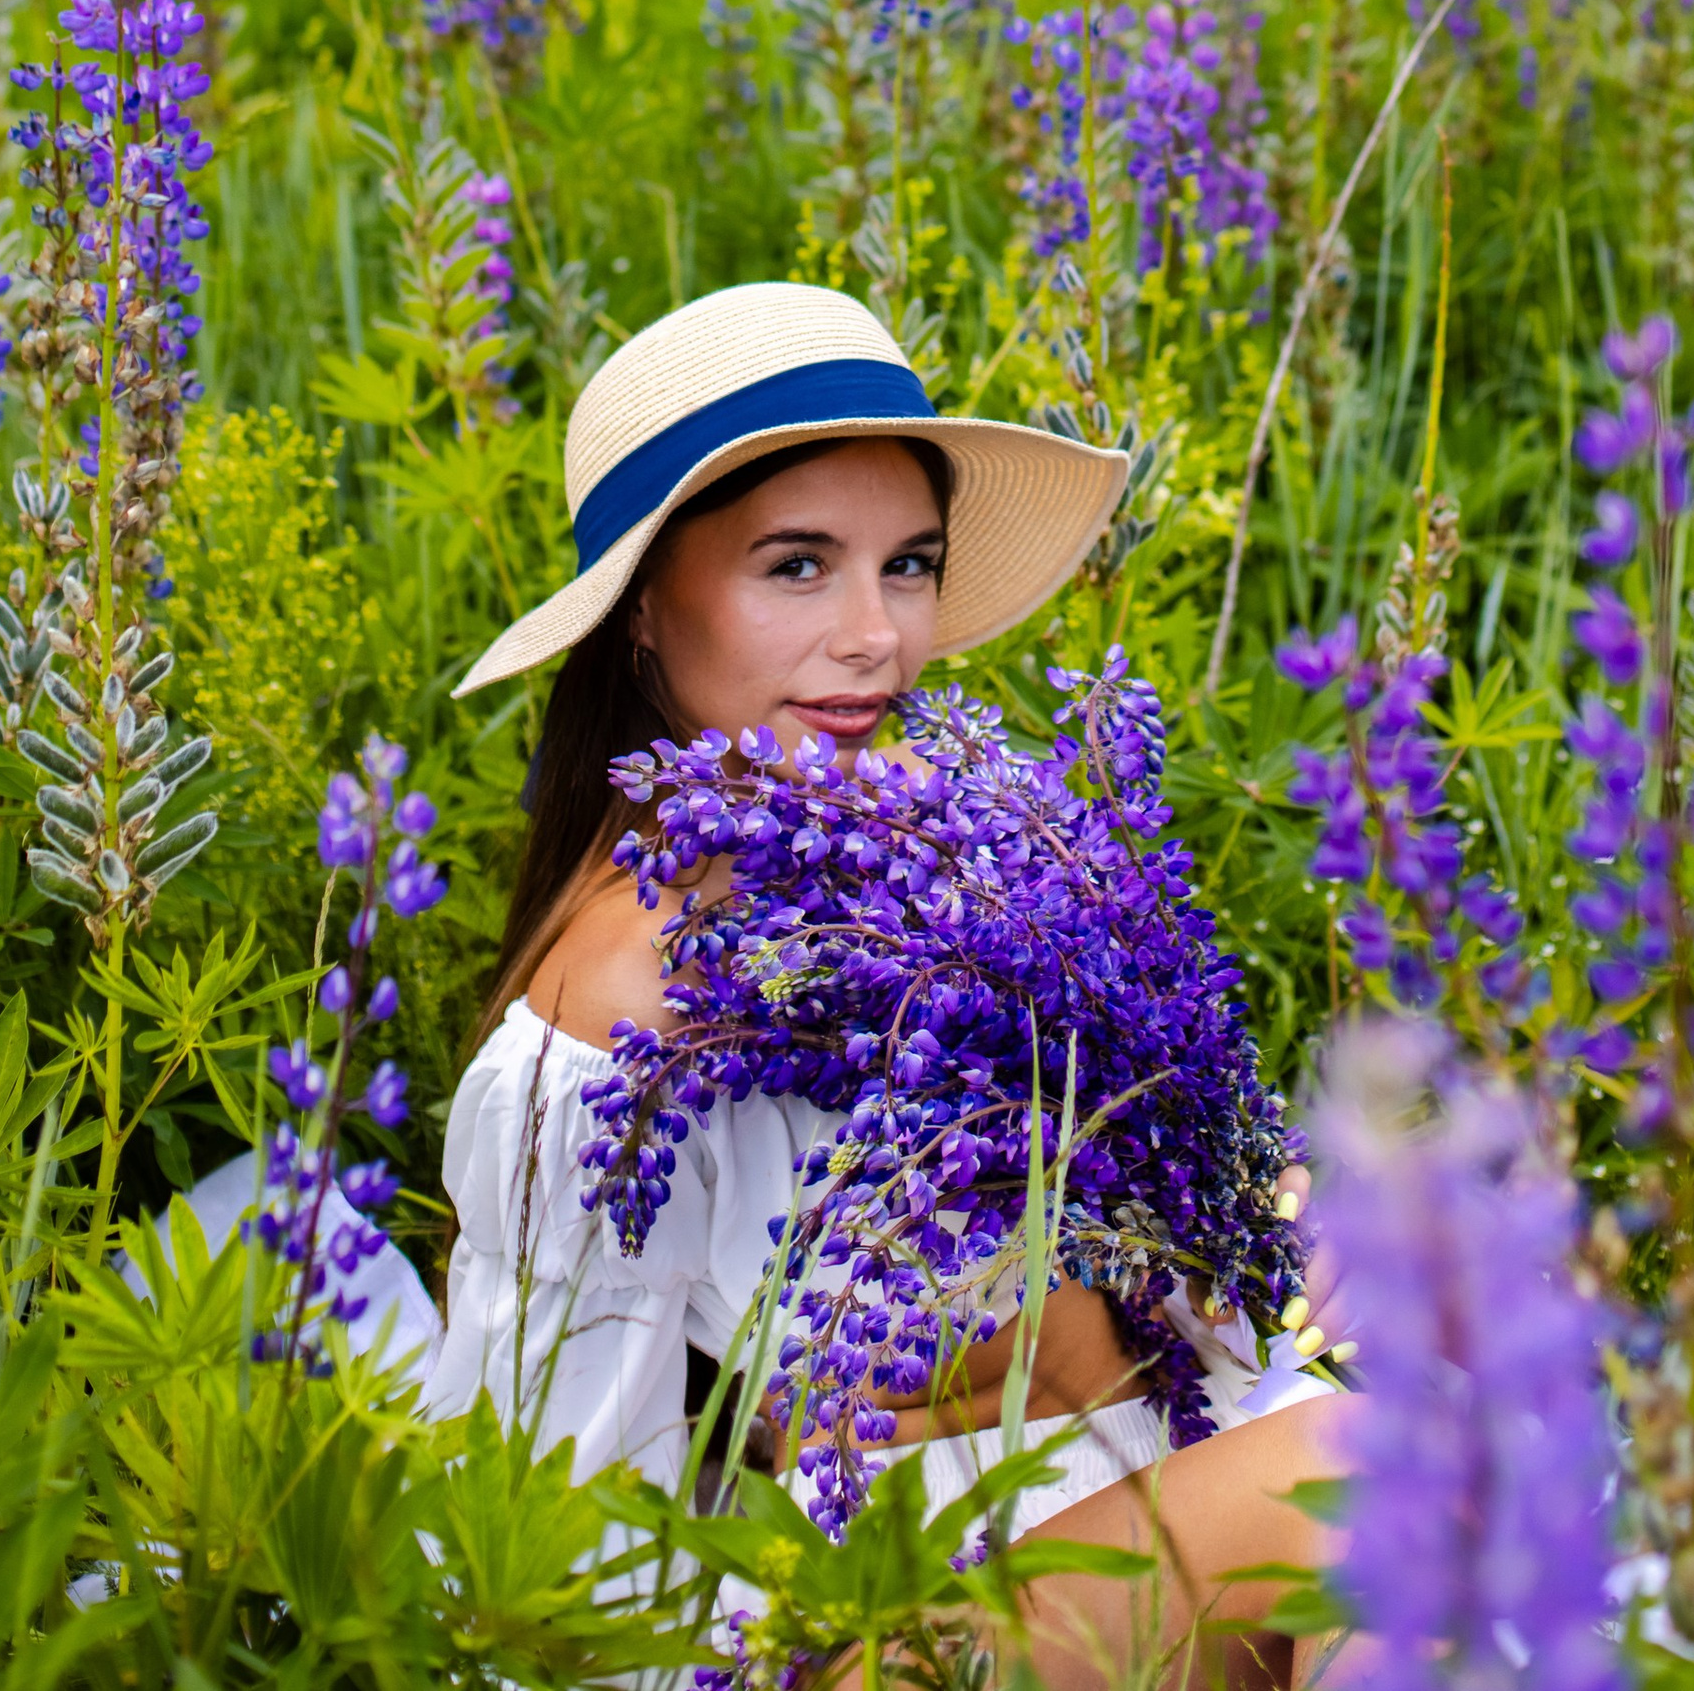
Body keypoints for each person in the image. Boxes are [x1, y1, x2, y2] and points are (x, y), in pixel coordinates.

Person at [422, 279, 1343, 1690]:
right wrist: (1056, 1345)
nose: (876, 636)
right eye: (798, 564)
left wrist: (1282, 1229)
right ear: (646, 614)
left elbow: (1166, 1220)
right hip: (842, 1642)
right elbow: (553, 1577)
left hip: (1139, 1521)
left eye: (907, 563)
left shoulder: (949, 851)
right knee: (1368, 1474)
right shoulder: (607, 1021)